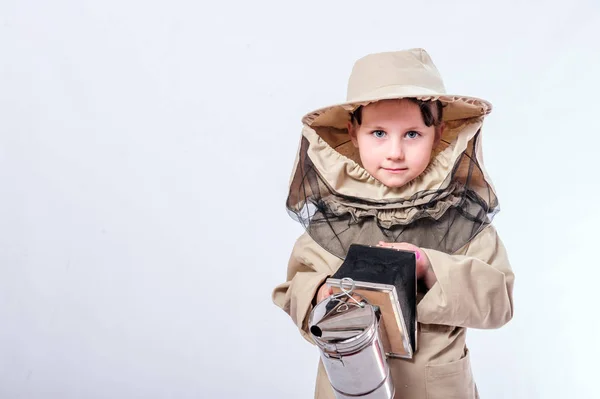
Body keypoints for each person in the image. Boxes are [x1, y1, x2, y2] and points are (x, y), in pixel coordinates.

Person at [272, 48, 514, 399]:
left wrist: (427, 265)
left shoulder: (460, 215)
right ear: (353, 133)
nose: (395, 152)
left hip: (437, 387)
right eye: (379, 133)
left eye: (412, 134)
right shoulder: (335, 216)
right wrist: (321, 294)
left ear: (439, 132)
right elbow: (295, 288)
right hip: (350, 382)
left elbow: (499, 303)